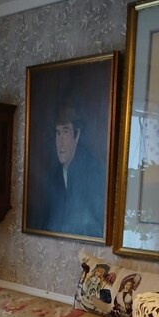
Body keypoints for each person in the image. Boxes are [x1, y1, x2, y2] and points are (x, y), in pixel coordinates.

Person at [34, 102, 106, 237]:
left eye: (66, 131)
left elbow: (98, 226)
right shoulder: (53, 176)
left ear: (77, 135)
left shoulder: (94, 172)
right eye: (58, 132)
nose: (60, 141)